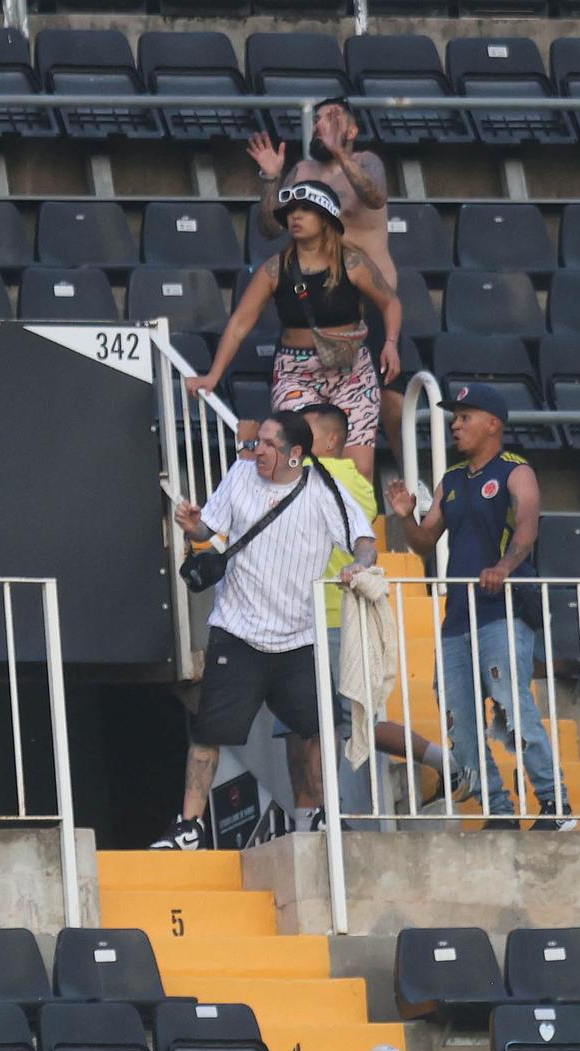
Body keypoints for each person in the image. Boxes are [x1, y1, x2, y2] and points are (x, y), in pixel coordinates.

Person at [155, 410, 377, 850]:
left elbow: (364, 539)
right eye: (259, 442)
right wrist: (193, 524)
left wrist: (359, 564)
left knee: (318, 730)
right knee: (209, 733)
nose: (259, 450)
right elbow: (211, 531)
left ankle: (319, 818)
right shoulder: (240, 473)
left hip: (298, 638)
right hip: (236, 632)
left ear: (296, 454)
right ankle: (188, 827)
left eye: (271, 445)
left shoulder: (324, 490)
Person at [384, 384, 573, 830]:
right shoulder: (451, 479)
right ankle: (499, 810)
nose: (455, 424)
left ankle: (555, 802)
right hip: (459, 616)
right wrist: (406, 516)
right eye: (455, 417)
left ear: (493, 423)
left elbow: (527, 528)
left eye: (465, 417)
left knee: (510, 701)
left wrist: (505, 566)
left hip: (503, 609)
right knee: (457, 716)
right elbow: (424, 542)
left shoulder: (516, 470)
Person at [186, 181, 401, 479]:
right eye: (291, 211)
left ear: (326, 218)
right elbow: (239, 324)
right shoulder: (275, 269)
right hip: (296, 371)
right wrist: (214, 374)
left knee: (358, 469)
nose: (295, 217)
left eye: (306, 210)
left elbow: (390, 303)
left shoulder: (352, 262)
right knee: (300, 461)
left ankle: (355, 526)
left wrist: (390, 342)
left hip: (352, 370)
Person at [248, 98, 410, 454]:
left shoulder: (366, 162)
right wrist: (272, 178)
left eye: (331, 119)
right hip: (316, 305)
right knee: (304, 414)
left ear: (351, 130)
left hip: (368, 303)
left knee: (392, 397)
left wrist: (341, 154)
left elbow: (376, 196)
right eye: (318, 118)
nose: (320, 125)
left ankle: (411, 480)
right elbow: (268, 228)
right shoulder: (302, 171)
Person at [271, 405, 378, 802]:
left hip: (334, 618)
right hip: (291, 622)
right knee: (294, 729)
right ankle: (308, 820)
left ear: (332, 440)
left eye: (306, 429)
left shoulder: (346, 478)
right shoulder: (297, 474)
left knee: (329, 724)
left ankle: (333, 815)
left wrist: (251, 451)